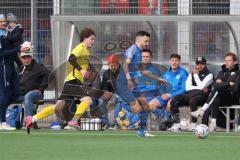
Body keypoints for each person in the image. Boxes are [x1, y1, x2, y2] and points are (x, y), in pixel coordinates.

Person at [116, 31, 166, 136]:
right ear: (139, 40)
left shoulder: (139, 52)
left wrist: (158, 79)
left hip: (131, 83)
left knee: (145, 104)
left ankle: (142, 131)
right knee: (138, 108)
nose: (147, 43)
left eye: (148, 41)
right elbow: (125, 64)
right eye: (146, 41)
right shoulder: (133, 49)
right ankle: (122, 111)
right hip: (123, 82)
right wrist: (129, 79)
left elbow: (143, 72)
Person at [191, 52, 240, 131]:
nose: (226, 62)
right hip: (221, 97)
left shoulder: (238, 73)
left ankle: (202, 110)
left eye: (229, 61)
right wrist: (229, 83)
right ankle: (213, 123)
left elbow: (235, 88)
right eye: (225, 60)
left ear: (234, 62)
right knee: (216, 98)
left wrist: (222, 83)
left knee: (217, 91)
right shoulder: (222, 72)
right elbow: (215, 85)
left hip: (232, 97)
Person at [167, 56, 213, 132]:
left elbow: (201, 86)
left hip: (203, 96)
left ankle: (194, 124)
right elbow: (187, 87)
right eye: (197, 64)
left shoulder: (209, 75)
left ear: (205, 64)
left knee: (192, 101)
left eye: (202, 63)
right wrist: (199, 87)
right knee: (175, 100)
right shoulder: (191, 73)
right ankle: (177, 123)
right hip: (190, 93)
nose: (199, 65)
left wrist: (195, 76)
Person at [0, 14, 29, 130]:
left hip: (11, 66)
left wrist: (20, 63)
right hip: (3, 66)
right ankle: (2, 122)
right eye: (1, 21)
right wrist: (18, 49)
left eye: (4, 21)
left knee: (16, 92)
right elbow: (1, 53)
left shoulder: (7, 34)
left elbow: (12, 51)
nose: (3, 23)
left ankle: (2, 113)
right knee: (4, 93)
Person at [148, 54, 188, 130]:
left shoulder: (183, 73)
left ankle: (168, 124)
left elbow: (184, 89)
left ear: (179, 62)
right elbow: (162, 86)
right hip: (166, 96)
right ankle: (166, 119)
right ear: (170, 61)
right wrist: (163, 94)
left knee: (170, 104)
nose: (174, 62)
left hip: (177, 96)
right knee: (150, 105)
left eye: (176, 61)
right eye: (172, 60)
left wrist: (171, 95)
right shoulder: (166, 73)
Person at [16, 50, 49, 122]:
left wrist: (41, 89)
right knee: (4, 97)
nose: (26, 60)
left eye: (28, 57)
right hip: (21, 95)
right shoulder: (19, 69)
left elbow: (48, 76)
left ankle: (29, 120)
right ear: (21, 59)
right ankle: (4, 121)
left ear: (31, 58)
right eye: (24, 58)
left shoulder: (39, 67)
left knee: (28, 96)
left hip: (36, 93)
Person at [101, 53, 120, 129]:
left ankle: (116, 123)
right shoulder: (106, 73)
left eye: (115, 65)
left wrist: (113, 94)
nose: (113, 67)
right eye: (111, 65)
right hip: (110, 95)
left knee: (119, 100)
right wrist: (105, 92)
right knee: (101, 100)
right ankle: (105, 123)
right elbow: (104, 86)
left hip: (120, 94)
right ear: (108, 65)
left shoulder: (122, 73)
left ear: (118, 65)